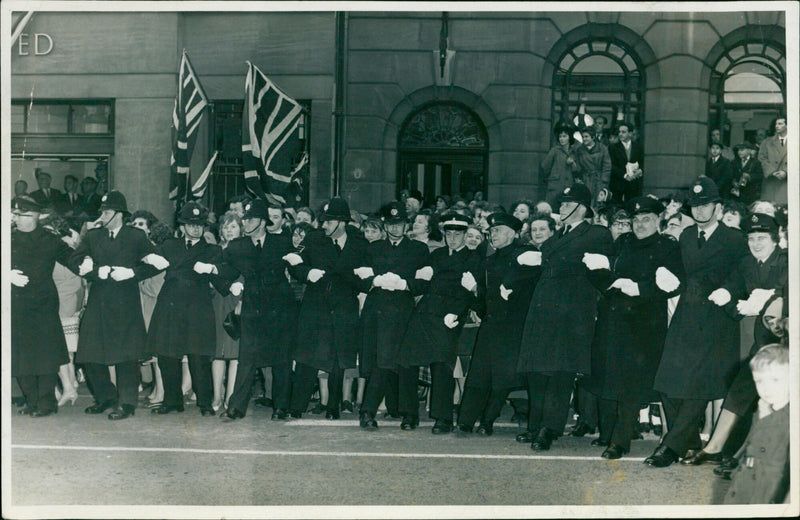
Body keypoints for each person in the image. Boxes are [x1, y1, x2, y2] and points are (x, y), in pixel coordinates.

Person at [646, 176, 748, 467]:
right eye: (696, 206)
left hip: (717, 318)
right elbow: (678, 270)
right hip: (686, 314)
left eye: (706, 205)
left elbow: (743, 272)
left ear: (718, 207)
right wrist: (668, 280)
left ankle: (671, 447)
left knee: (699, 384)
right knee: (667, 381)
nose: (700, 211)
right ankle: (688, 440)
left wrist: (728, 290)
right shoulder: (687, 236)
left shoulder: (733, 237)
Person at [581, 197, 684, 459]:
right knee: (612, 378)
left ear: (659, 221)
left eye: (646, 219)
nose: (640, 224)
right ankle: (612, 435)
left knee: (634, 383)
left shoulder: (667, 247)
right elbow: (601, 271)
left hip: (645, 323)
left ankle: (621, 440)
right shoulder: (623, 242)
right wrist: (610, 283)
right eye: (636, 220)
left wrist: (640, 289)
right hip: (614, 320)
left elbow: (674, 283)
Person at [683, 213, 788, 466]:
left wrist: (776, 297)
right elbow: (733, 288)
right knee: (740, 389)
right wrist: (726, 295)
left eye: (762, 238)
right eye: (751, 238)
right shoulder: (747, 263)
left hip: (787, 344)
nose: (756, 243)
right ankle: (715, 447)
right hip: (763, 343)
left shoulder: (788, 263)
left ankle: (762, 457)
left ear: (775, 240)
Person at [516, 183, 614, 450]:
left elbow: (582, 262)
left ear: (583, 208)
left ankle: (550, 428)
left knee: (561, 372)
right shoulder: (559, 234)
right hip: (544, 308)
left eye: (569, 205)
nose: (563, 208)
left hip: (571, 312)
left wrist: (543, 259)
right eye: (562, 204)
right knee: (537, 370)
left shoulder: (595, 232)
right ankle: (535, 425)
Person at [70, 191, 167, 420]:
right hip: (99, 301)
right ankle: (106, 398)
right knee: (89, 353)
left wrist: (133, 273)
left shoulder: (136, 236)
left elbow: (160, 263)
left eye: (107, 212)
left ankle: (127, 403)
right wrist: (94, 270)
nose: (103, 215)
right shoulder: (93, 236)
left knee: (126, 356)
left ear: (120, 214)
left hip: (125, 301)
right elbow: (75, 260)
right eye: (102, 211)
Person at [456, 213, 540, 436]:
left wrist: (479, 291)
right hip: (491, 323)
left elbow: (517, 292)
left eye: (499, 230)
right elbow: (486, 298)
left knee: (501, 378)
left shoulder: (523, 256)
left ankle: (487, 421)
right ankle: (466, 420)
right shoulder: (488, 261)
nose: (493, 234)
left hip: (512, 326)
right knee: (478, 374)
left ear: (513, 234)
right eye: (492, 231)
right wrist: (476, 295)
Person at [399, 212, 483, 433]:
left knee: (441, 366)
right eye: (448, 233)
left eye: (457, 234)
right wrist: (405, 284)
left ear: (465, 235)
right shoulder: (436, 256)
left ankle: (443, 417)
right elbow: (424, 283)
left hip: (449, 317)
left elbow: (467, 293)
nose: (452, 238)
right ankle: (409, 413)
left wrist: (456, 313)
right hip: (425, 312)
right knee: (407, 360)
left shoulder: (473, 258)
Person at [213, 199, 296, 421]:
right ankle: (236, 407)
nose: (246, 223)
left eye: (250, 219)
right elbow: (221, 270)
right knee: (246, 358)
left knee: (281, 360)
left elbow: (297, 269)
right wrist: (225, 284)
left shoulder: (282, 242)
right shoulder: (237, 246)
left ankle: (281, 407)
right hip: (252, 309)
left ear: (261, 222)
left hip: (279, 309)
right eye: (245, 219)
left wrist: (300, 263)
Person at [288, 197, 369, 420]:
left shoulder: (359, 244)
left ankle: (333, 407)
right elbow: (296, 264)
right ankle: (297, 406)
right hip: (316, 307)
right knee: (306, 358)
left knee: (338, 361)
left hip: (343, 308)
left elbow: (368, 275)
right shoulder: (314, 239)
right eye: (323, 221)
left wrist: (361, 278)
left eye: (329, 221)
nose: (323, 225)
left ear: (342, 222)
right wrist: (307, 274)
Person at [357, 202, 431, 430]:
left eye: (399, 225)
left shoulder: (418, 249)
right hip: (377, 312)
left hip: (404, 312)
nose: (395, 229)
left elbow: (424, 281)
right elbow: (360, 275)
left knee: (405, 363)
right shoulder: (373, 248)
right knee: (382, 361)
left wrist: (405, 285)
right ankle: (373, 412)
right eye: (391, 225)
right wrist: (375, 281)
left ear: (406, 224)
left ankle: (406, 414)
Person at [146, 202, 222, 417]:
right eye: (191, 224)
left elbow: (220, 274)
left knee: (199, 357)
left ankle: (205, 402)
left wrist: (224, 278)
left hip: (197, 309)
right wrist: (144, 260)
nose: (196, 228)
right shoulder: (169, 245)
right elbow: (147, 264)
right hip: (170, 307)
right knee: (167, 356)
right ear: (183, 225)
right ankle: (172, 401)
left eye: (200, 225)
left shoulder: (211, 250)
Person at [11, 196, 75, 417]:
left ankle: (47, 403)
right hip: (17, 304)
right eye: (16, 214)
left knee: (46, 356)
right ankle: (31, 400)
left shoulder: (49, 239)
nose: (17, 219)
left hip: (43, 304)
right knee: (21, 355)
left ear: (37, 217)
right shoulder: (7, 238)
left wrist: (84, 261)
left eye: (23, 215)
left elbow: (70, 256)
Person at [723, 344, 790, 504]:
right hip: (746, 484)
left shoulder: (791, 418)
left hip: (770, 491)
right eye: (759, 381)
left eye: (775, 380)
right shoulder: (763, 408)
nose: (766, 388)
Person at [211, 211, 244, 412]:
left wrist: (241, 286)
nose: (229, 230)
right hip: (217, 299)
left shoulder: (246, 249)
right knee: (217, 352)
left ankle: (230, 396)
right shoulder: (215, 250)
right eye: (225, 226)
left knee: (235, 353)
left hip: (237, 300)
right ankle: (217, 395)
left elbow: (248, 272)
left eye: (233, 226)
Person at [540, 122, 579, 207]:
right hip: (555, 186)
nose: (562, 139)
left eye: (564, 136)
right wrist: (550, 178)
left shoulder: (574, 152)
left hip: (568, 186)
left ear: (569, 137)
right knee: (553, 208)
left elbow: (577, 170)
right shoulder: (555, 150)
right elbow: (545, 166)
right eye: (560, 136)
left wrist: (572, 164)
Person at [608, 122, 644, 203]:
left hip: (633, 183)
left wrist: (640, 171)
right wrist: (624, 175)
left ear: (630, 133)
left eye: (623, 132)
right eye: (619, 132)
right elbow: (611, 165)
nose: (620, 134)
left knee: (632, 205)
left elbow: (642, 163)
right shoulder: (613, 147)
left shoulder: (638, 147)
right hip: (618, 183)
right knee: (617, 206)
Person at [575, 129, 611, 208]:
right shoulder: (579, 150)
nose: (584, 139)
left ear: (593, 137)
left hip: (599, 180)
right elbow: (577, 166)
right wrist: (579, 178)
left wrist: (604, 183)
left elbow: (607, 166)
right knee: (585, 203)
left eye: (586, 137)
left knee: (598, 203)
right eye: (583, 137)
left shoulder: (602, 148)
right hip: (585, 180)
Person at [757, 116, 788, 204]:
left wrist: (786, 171)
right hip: (771, 181)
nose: (777, 126)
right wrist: (772, 171)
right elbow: (761, 158)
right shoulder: (767, 142)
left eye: (780, 124)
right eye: (776, 124)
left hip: (788, 181)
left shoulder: (796, 141)